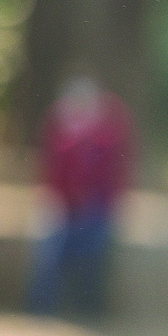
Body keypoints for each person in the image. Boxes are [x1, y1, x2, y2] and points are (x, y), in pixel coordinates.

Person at [26, 75, 132, 317]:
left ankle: (88, 309)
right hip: (64, 207)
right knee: (50, 250)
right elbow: (52, 175)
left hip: (95, 209)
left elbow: (111, 178)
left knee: (93, 250)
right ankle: (41, 310)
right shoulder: (61, 132)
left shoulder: (106, 135)